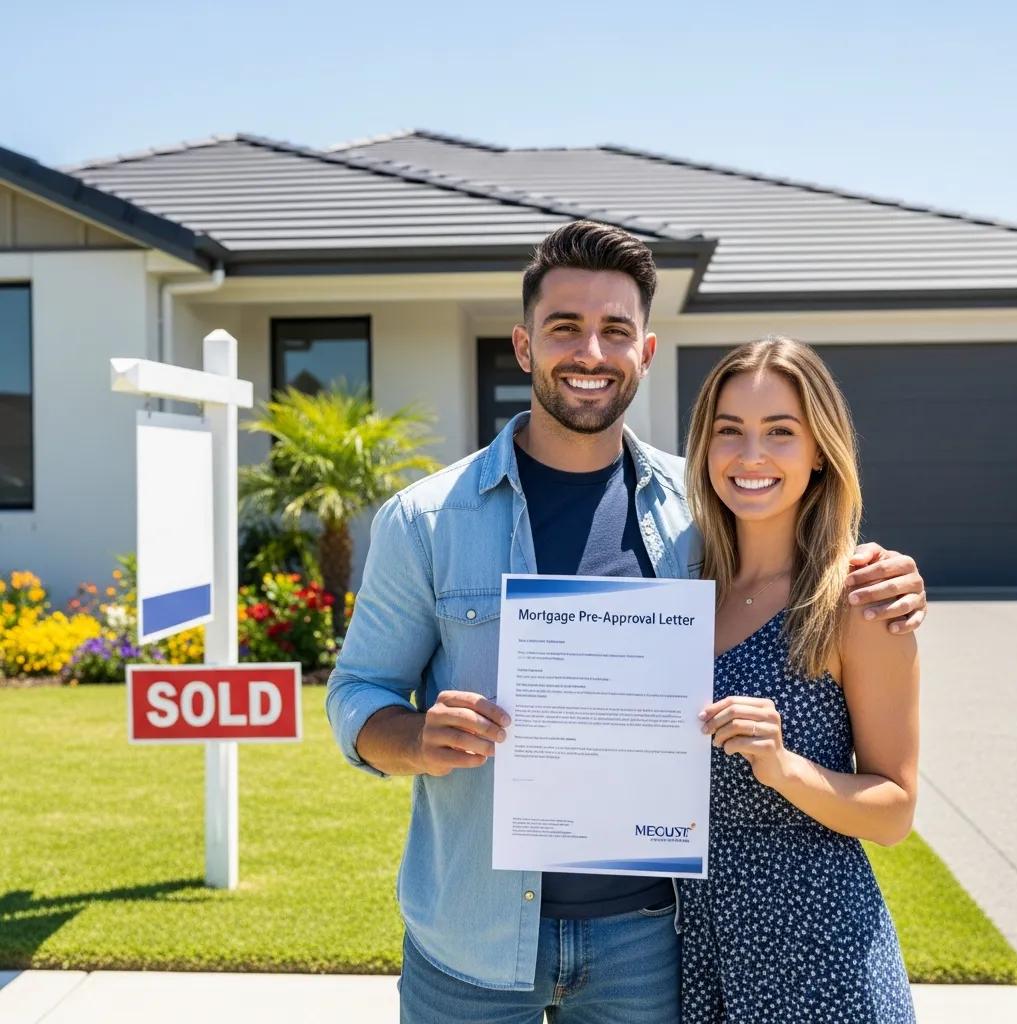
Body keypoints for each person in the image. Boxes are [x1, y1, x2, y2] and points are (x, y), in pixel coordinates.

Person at [326, 220, 927, 1024]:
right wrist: (414, 739)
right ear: (524, 346)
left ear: (645, 352)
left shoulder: (701, 513)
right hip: (471, 936)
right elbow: (357, 692)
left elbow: (797, 551)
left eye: (615, 330)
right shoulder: (427, 520)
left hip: (650, 942)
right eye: (564, 327)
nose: (591, 351)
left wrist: (881, 572)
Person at [678, 336, 918, 1022]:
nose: (751, 455)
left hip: (819, 959)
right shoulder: (684, 590)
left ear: (819, 452)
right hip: (695, 948)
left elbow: (896, 810)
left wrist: (784, 768)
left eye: (780, 431)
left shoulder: (858, 599)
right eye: (730, 431)